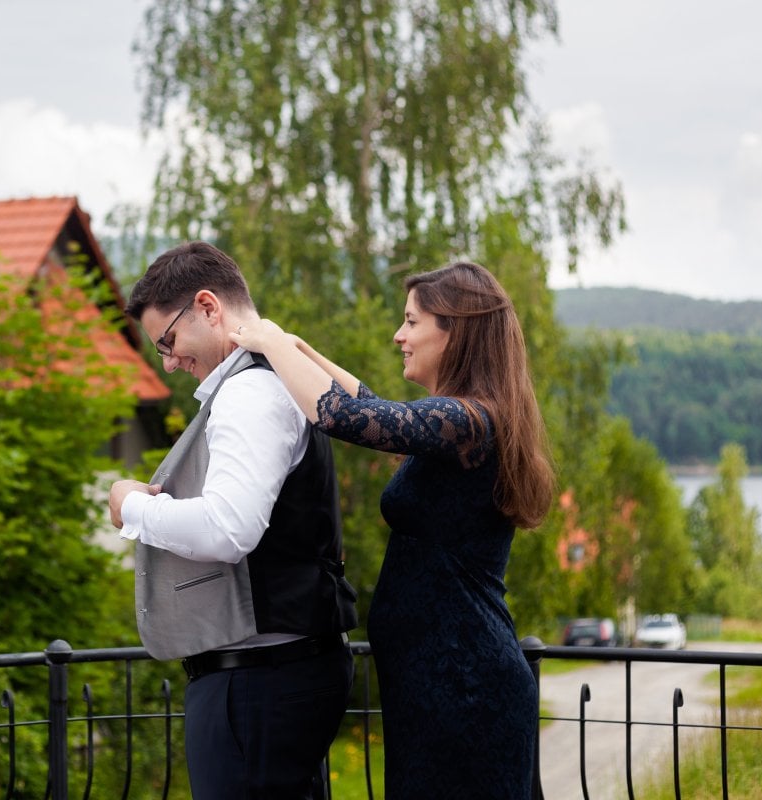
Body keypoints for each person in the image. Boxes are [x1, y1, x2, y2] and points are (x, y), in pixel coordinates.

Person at [230, 261, 554, 798]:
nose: (398, 336)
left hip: (464, 687)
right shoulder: (458, 424)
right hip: (434, 686)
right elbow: (369, 405)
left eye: (411, 322)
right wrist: (295, 347)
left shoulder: (469, 421)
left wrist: (268, 340)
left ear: (457, 331)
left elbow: (341, 415)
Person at [108, 241, 358, 800]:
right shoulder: (268, 381)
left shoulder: (250, 392)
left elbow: (228, 529)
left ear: (208, 306)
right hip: (270, 675)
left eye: (169, 341)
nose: (168, 362)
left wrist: (132, 508)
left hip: (259, 681)